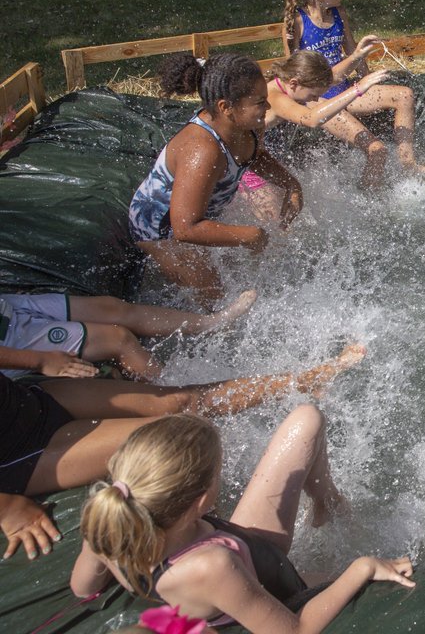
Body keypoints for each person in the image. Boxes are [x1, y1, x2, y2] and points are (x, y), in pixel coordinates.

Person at [1, 343, 363, 560]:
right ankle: (233, 544)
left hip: (23, 404)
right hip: (20, 455)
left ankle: (310, 379)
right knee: (174, 440)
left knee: (181, 401)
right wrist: (7, 508)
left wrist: (35, 361)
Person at [71, 411, 415, 633]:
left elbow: (83, 588)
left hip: (247, 554)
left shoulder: (107, 518)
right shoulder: (210, 567)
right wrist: (362, 568)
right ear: (203, 501)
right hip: (277, 591)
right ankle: (343, 541)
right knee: (399, 571)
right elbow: (295, 631)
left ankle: (327, 503)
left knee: (306, 421)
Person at [129, 54, 304, 308]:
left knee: (244, 274)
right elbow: (186, 228)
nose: (267, 108)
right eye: (259, 102)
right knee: (219, 301)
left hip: (198, 214)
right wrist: (250, 235)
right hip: (161, 229)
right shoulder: (202, 150)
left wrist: (291, 184)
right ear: (225, 107)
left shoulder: (250, 126)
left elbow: (254, 155)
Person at [282, 0, 425, 176]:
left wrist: (368, 79)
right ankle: (372, 197)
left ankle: (408, 165)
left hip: (345, 89)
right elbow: (292, 74)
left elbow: (352, 49)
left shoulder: (338, 13)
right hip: (319, 100)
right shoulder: (298, 22)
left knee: (405, 94)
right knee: (377, 150)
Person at [1, 289, 256, 382]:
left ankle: (211, 323)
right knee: (119, 340)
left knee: (112, 308)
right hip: (10, 344)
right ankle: (176, 392)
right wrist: (40, 361)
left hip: (8, 309)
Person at [245, 51, 399, 193]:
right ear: (293, 83)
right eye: (313, 95)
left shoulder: (292, 84)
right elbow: (311, 119)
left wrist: (357, 55)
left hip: (262, 157)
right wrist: (357, 89)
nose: (316, 99)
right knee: (277, 219)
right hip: (246, 165)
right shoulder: (275, 96)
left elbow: (335, 77)